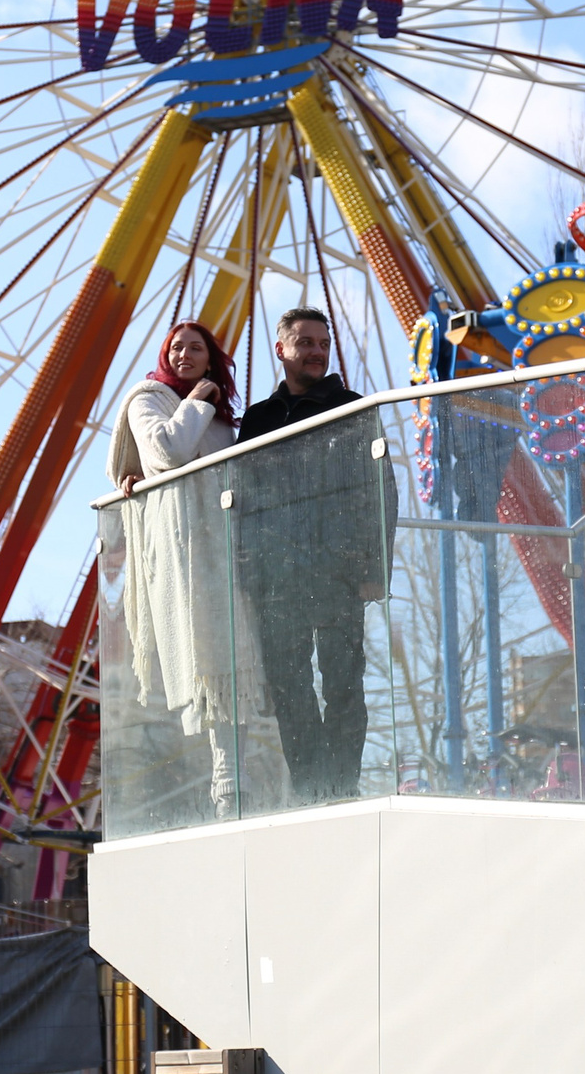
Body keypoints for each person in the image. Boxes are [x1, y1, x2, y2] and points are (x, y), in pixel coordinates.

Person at [235, 307, 394, 800]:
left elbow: (381, 488)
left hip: (339, 570)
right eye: (304, 342)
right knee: (288, 685)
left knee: (345, 682)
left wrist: (375, 570)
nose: (316, 351)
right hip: (277, 575)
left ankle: (341, 786)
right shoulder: (259, 419)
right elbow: (237, 497)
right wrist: (245, 569)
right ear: (281, 349)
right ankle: (310, 786)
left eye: (322, 343)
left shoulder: (353, 407)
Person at [107, 320, 261, 811]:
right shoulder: (147, 398)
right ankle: (222, 791)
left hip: (226, 550)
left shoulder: (221, 421)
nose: (184, 354)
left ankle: (238, 784)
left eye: (196, 348)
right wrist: (197, 400)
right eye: (176, 347)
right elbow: (167, 452)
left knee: (234, 667)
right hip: (185, 551)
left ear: (212, 358)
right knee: (206, 662)